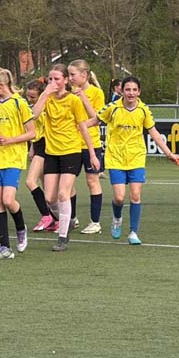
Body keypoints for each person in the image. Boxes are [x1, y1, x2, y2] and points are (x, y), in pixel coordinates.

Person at [82, 76, 179, 245]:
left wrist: (169, 153)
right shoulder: (112, 108)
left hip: (136, 157)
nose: (131, 93)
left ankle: (133, 232)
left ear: (139, 92)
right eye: (128, 89)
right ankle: (117, 218)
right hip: (116, 158)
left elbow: (154, 133)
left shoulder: (143, 110)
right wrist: (80, 129)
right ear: (122, 91)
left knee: (135, 195)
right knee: (119, 197)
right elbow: (90, 123)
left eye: (134, 90)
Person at [31, 63, 99, 252]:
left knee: (63, 193)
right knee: (50, 197)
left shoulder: (73, 100)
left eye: (57, 79)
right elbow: (33, 115)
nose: (53, 82)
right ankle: (66, 220)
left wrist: (92, 154)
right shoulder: (48, 98)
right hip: (52, 153)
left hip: (71, 151)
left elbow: (83, 127)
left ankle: (63, 236)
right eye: (50, 79)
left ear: (65, 80)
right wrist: (45, 94)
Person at [0, 67, 36, 259]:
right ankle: (4, 247)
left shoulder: (19, 103)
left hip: (13, 158)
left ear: (1, 84)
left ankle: (21, 228)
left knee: (7, 200)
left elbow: (32, 133)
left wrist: (10, 140)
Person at [69, 59, 106, 234]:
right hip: (72, 144)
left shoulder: (96, 93)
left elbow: (97, 118)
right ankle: (72, 218)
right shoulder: (68, 93)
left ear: (84, 74)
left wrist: (84, 99)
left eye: (73, 74)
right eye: (68, 75)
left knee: (92, 181)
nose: (70, 78)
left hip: (92, 143)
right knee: (68, 182)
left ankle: (95, 222)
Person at [24, 78, 56, 232]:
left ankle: (47, 216)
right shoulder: (32, 108)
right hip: (37, 145)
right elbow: (33, 130)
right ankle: (56, 218)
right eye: (28, 96)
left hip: (45, 146)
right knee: (47, 188)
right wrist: (32, 147)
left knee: (30, 181)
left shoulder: (45, 108)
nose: (29, 99)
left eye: (33, 97)